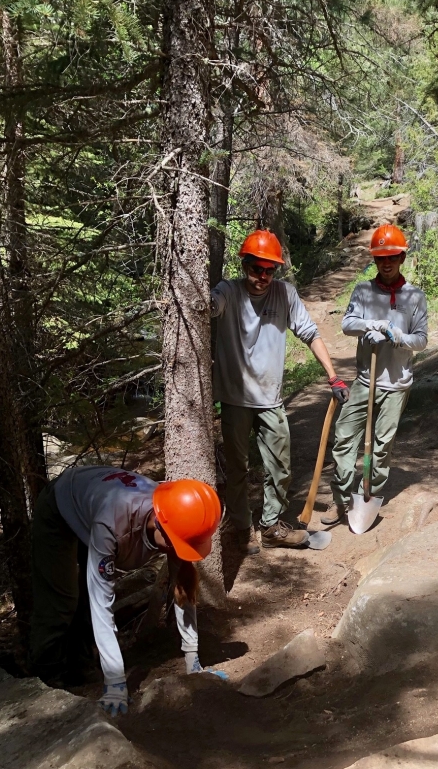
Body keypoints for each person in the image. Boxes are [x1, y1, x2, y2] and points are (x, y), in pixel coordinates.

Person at [29, 467, 224, 716]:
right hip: (61, 507)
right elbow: (102, 601)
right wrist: (116, 684)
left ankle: (82, 668)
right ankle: (47, 684)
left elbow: (183, 589)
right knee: (62, 600)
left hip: (94, 501)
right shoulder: (113, 523)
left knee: (83, 603)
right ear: (160, 526)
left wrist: (192, 659)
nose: (180, 551)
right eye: (179, 545)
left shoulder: (178, 514)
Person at [211, 230, 348, 552]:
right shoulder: (229, 291)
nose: (262, 277)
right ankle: (243, 528)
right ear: (245, 265)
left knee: (280, 467)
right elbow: (209, 306)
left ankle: (271, 526)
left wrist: (333, 377)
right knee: (237, 468)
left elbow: (311, 333)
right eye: (256, 268)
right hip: (234, 398)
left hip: (270, 399)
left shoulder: (284, 294)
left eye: (269, 270)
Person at [321, 224, 428, 526]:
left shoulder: (415, 297)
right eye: (381, 258)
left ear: (402, 257)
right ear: (375, 260)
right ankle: (341, 501)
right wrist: (373, 325)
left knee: (381, 447)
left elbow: (421, 340)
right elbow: (347, 324)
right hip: (365, 380)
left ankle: (367, 495)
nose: (387, 263)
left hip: (396, 385)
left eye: (392, 256)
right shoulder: (363, 291)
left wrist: (396, 336)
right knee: (344, 438)